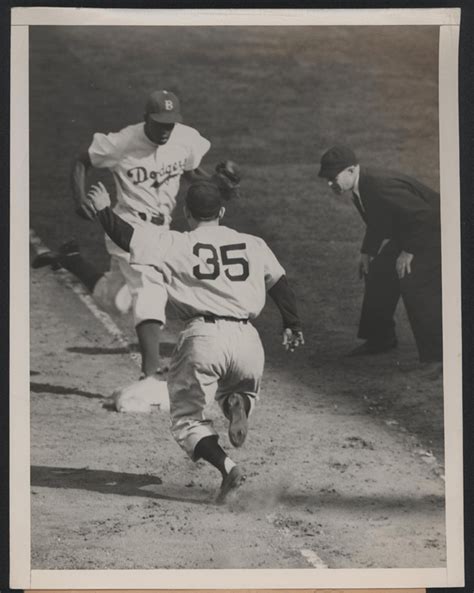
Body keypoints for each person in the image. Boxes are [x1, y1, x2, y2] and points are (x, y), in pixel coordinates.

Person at [86, 179, 304, 503]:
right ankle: (237, 404)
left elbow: (127, 237)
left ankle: (227, 467)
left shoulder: (175, 243)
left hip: (204, 338)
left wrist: (104, 210)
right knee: (240, 387)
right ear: (223, 211)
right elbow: (279, 281)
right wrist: (292, 323)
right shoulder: (253, 243)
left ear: (187, 212)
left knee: (186, 420)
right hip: (248, 340)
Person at [33, 90, 240, 407]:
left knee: (114, 300)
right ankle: (150, 376)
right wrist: (79, 201)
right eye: (159, 124)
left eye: (171, 124)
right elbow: (82, 159)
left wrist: (216, 183)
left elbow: (187, 171)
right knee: (150, 287)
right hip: (125, 227)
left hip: (161, 227)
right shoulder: (123, 142)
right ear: (146, 119)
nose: (165, 130)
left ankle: (71, 258)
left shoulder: (184, 139)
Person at [318, 145, 442, 366]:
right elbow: (379, 221)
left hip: (437, 231)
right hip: (412, 230)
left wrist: (409, 251)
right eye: (327, 178)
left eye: (332, 177)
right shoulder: (360, 186)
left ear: (350, 170)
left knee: (413, 280)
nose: (329, 183)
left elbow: (426, 215)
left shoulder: (378, 186)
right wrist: (367, 251)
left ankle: (438, 355)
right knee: (379, 273)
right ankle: (381, 338)